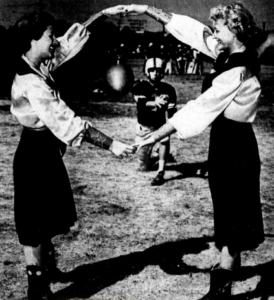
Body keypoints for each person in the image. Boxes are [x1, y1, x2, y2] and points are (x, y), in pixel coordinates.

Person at [126, 2, 265, 299]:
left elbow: (197, 110)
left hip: (236, 147)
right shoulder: (230, 54)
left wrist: (153, 137)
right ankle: (227, 274)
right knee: (229, 215)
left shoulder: (237, 69)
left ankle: (220, 292)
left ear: (236, 28)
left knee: (232, 219)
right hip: (227, 142)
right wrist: (147, 10)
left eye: (220, 25)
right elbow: (195, 33)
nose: (214, 30)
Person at [10, 7, 134, 300]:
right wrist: (111, 144)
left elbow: (64, 47)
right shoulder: (32, 83)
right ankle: (37, 289)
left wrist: (100, 16)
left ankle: (44, 269)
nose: (54, 41)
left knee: (45, 218)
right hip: (34, 155)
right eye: (49, 36)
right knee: (34, 223)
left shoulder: (36, 65)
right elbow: (69, 122)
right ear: (32, 39)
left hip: (44, 152)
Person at [132, 57, 177, 185]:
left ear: (163, 71)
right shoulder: (140, 86)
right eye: (152, 70)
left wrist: (175, 123)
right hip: (144, 128)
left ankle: (161, 170)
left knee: (165, 139)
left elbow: (172, 111)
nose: (155, 73)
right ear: (146, 72)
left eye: (158, 70)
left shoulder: (169, 89)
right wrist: (155, 102)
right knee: (143, 167)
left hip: (160, 125)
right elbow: (141, 103)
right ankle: (154, 157)